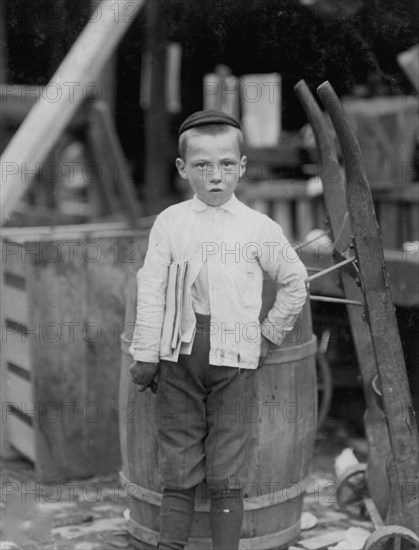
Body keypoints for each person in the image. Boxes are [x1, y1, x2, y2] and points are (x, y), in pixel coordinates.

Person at [128, 110, 308, 550]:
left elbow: (295, 281)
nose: (215, 176)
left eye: (227, 164)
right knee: (179, 455)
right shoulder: (171, 222)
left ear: (242, 167)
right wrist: (146, 353)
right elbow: (151, 287)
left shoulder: (257, 227)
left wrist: (269, 334)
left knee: (229, 460)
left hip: (235, 360)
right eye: (202, 165)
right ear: (182, 168)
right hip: (179, 357)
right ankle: (170, 545)